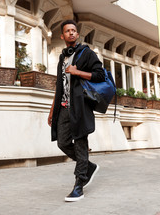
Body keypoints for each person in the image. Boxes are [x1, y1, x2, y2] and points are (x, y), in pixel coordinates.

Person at [48, 20, 105, 202]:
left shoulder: (86, 54)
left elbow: (99, 75)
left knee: (80, 144)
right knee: (62, 142)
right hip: (63, 108)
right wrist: (51, 111)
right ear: (62, 36)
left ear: (77, 35)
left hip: (80, 107)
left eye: (74, 30)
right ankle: (88, 166)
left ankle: (79, 185)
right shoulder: (62, 58)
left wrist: (77, 72)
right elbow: (59, 87)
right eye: (67, 31)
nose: (71, 33)